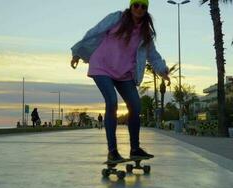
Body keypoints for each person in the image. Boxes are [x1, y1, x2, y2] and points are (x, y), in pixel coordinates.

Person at [71, 0, 170, 164]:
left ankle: (135, 149)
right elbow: (94, 32)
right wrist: (78, 53)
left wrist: (163, 71)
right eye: (136, 5)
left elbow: (153, 55)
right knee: (111, 102)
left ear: (146, 10)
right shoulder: (116, 18)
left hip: (124, 73)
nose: (139, 9)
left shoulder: (145, 33)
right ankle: (112, 152)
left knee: (136, 106)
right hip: (102, 67)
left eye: (143, 6)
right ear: (131, 6)